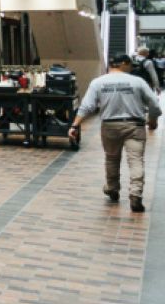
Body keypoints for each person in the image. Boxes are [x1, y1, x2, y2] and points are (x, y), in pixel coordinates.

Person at [69, 55, 161, 213]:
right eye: (130, 65)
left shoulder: (98, 82)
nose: (132, 68)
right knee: (136, 160)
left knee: (112, 158)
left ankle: (112, 188)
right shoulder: (137, 82)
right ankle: (135, 194)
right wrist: (152, 120)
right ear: (124, 64)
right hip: (134, 125)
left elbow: (87, 106)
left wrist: (74, 125)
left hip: (110, 126)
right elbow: (154, 104)